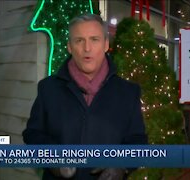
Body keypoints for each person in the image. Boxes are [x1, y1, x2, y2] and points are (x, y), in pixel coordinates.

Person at [22, 13, 148, 180]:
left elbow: (137, 141)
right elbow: (32, 134)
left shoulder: (128, 92)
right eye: (79, 40)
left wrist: (122, 164)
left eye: (94, 39)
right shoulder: (48, 88)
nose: (87, 48)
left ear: (105, 45)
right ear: (69, 46)